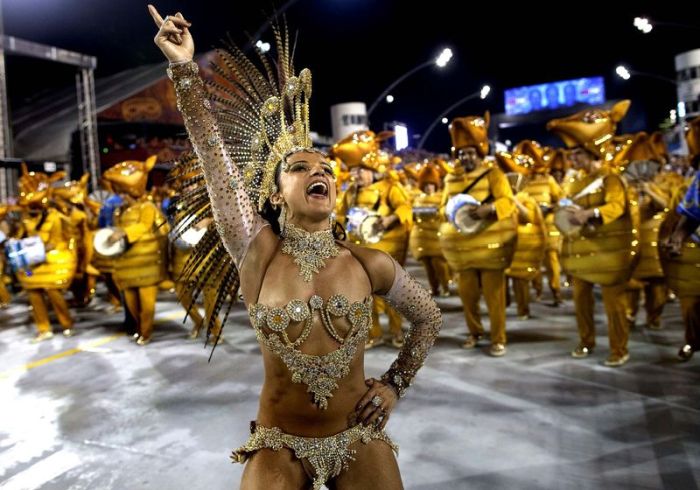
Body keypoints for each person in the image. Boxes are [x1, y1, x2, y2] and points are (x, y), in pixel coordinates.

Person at [148, 6, 441, 489]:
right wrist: (183, 67)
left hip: (356, 437)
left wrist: (393, 386)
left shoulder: (370, 263)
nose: (319, 172)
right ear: (272, 193)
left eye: (326, 167)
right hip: (278, 442)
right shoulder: (256, 254)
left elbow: (429, 318)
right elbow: (214, 157)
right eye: (301, 168)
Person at [439, 113, 517, 356]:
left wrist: (489, 209)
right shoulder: (451, 179)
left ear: (479, 153)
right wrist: (449, 213)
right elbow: (442, 207)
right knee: (468, 297)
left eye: (470, 152)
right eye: (462, 153)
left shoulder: (494, 174)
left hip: (490, 246)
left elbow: (508, 201)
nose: (466, 157)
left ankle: (498, 338)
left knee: (495, 298)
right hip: (462, 249)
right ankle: (475, 333)